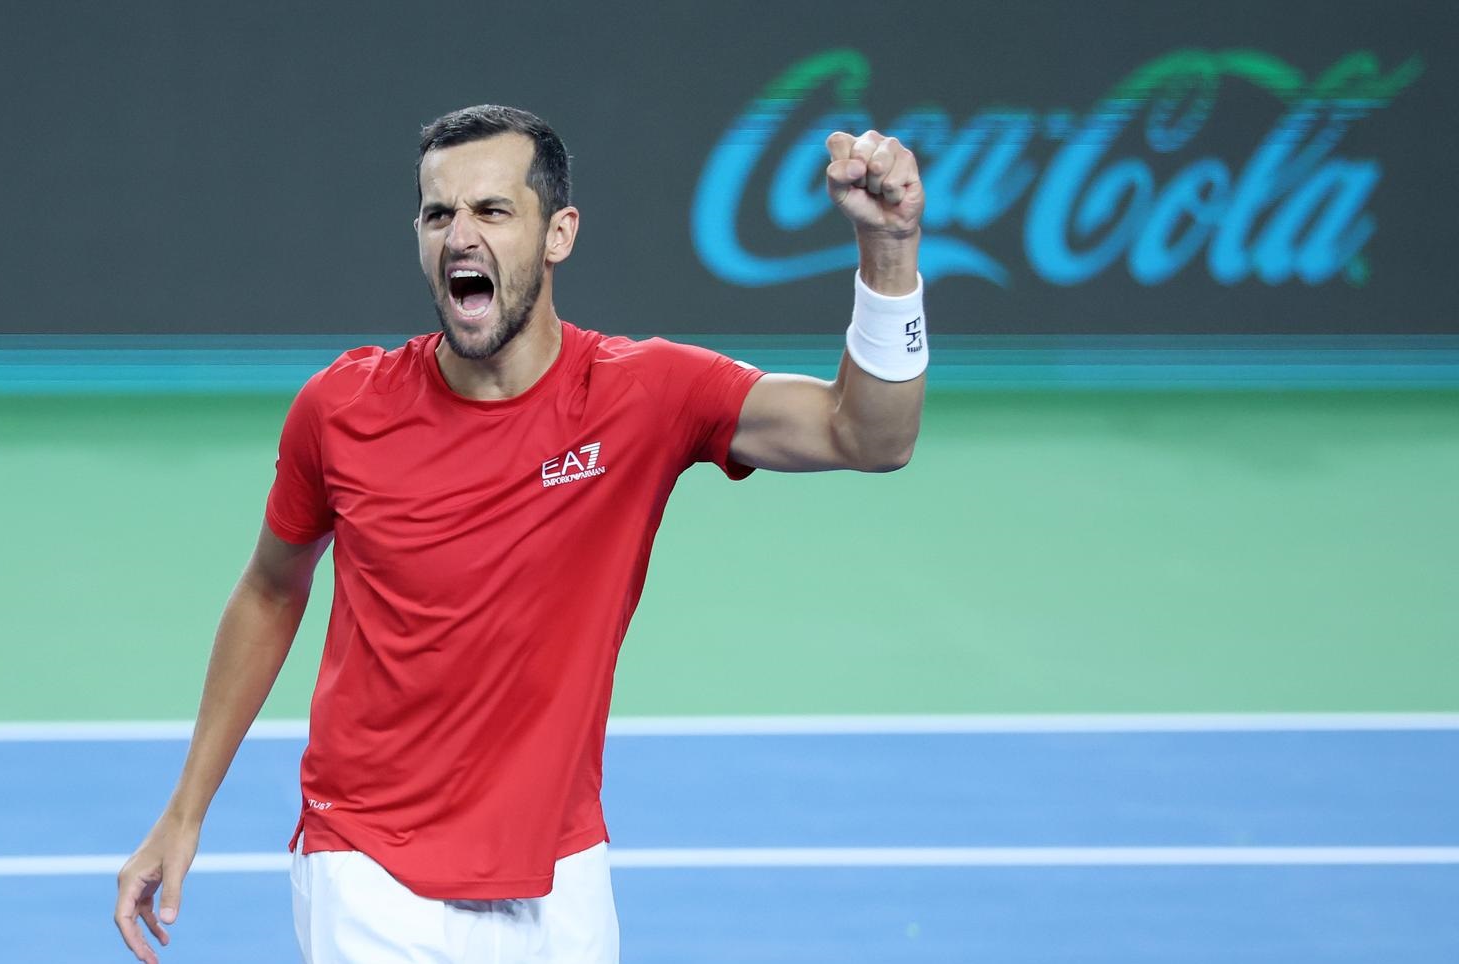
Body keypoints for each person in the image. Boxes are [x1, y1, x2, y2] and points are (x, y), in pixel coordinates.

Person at [114, 104, 926, 964]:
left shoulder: (644, 395)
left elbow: (870, 435)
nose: (460, 236)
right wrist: (184, 811)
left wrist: (890, 250)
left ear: (557, 233)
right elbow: (271, 589)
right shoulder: (340, 410)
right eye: (438, 215)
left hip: (560, 878)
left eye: (492, 211)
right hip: (369, 873)